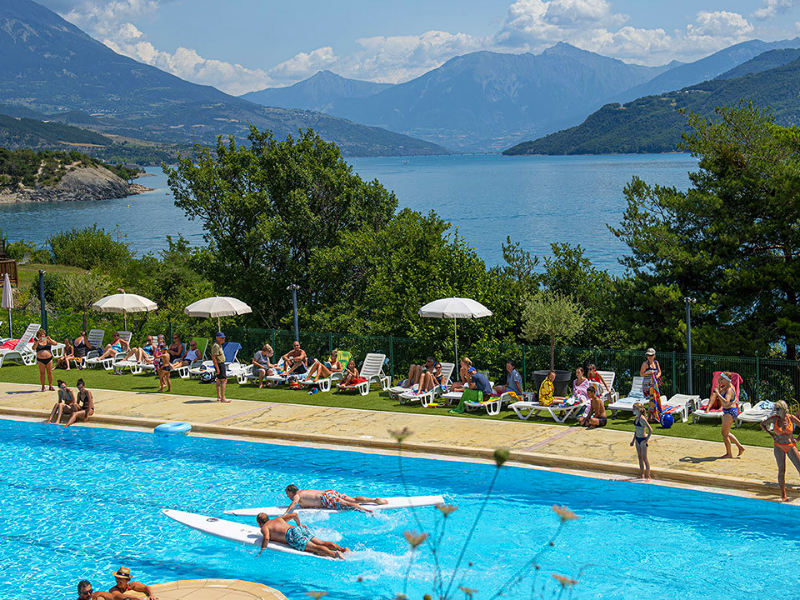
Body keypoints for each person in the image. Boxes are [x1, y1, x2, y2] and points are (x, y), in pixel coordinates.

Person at [257, 512, 347, 559]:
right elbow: (294, 515)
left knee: (315, 547)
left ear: (259, 522)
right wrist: (299, 525)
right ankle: (343, 550)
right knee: (321, 542)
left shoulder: (264, 527)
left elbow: (267, 538)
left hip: (292, 535)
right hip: (298, 529)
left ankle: (334, 555)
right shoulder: (278, 519)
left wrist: (262, 550)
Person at [761, 400, 800, 501]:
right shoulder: (775, 419)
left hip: (790, 445)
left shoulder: (791, 418)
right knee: (781, 470)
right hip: (778, 446)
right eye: (775, 409)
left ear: (783, 409)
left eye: (777, 409)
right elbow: (762, 424)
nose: (776, 411)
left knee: (799, 467)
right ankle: (783, 494)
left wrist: (798, 438)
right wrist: (772, 435)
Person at [284, 484, 388, 514]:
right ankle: (374, 500)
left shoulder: (297, 495)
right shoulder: (305, 491)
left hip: (325, 498)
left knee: (347, 504)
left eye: (287, 494)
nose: (287, 496)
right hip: (328, 492)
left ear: (291, 492)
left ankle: (367, 510)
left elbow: (294, 502)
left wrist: (286, 513)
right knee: (353, 499)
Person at [715, 372, 745, 458]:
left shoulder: (729, 390)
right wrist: (718, 384)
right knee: (726, 433)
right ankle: (740, 447)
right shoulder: (726, 387)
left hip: (730, 411)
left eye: (722, 379)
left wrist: (717, 394)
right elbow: (719, 391)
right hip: (728, 411)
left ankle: (729, 454)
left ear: (727, 380)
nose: (721, 381)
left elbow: (726, 402)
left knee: (724, 434)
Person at [630, 402, 653, 480]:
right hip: (637, 439)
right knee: (639, 457)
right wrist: (633, 440)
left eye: (634, 409)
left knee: (644, 458)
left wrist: (646, 440)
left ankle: (648, 475)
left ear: (638, 410)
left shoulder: (642, 418)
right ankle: (642, 474)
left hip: (643, 440)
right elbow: (636, 430)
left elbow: (650, 430)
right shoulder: (636, 418)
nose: (632, 410)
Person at [211, 332, 230, 403]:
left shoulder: (220, 345)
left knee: (219, 380)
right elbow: (214, 357)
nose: (223, 339)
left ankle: (219, 396)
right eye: (222, 338)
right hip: (219, 364)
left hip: (221, 363)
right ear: (217, 338)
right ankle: (223, 397)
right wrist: (217, 368)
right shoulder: (216, 346)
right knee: (223, 380)